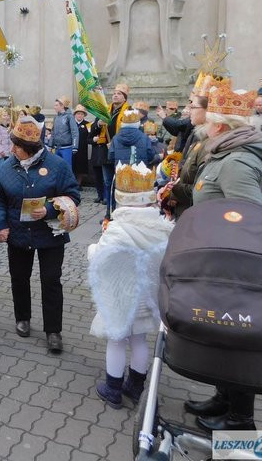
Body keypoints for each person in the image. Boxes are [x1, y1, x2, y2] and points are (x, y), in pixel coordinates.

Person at [185, 82, 262, 432]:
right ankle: (224, 398)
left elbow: (250, 222)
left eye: (211, 120)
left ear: (222, 126)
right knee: (224, 339)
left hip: (236, 268)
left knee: (238, 343)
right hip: (219, 261)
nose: (205, 126)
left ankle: (241, 420)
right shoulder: (226, 155)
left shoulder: (237, 163)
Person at [0, 116, 81, 352]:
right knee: (19, 278)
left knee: (51, 281)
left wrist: (50, 209)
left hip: (50, 235)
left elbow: (74, 194)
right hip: (18, 234)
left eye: (17, 146)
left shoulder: (57, 165)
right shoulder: (5, 167)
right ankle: (22, 318)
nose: (12, 150)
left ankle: (53, 331)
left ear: (31, 149)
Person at [89, 162, 174, 408]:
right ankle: (136, 387)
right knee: (139, 340)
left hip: (120, 295)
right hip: (147, 295)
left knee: (116, 339)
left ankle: (112, 388)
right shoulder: (162, 228)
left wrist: (92, 248)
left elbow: (101, 258)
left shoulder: (118, 229)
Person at [159, 94, 208, 218]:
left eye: (193, 106)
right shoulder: (195, 133)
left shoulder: (207, 141)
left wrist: (174, 191)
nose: (189, 110)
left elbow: (199, 185)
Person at [98, 84, 131, 210]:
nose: (115, 95)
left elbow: (129, 132)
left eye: (119, 94)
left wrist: (115, 142)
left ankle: (119, 210)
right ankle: (109, 212)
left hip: (120, 152)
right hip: (105, 152)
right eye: (114, 93)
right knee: (107, 183)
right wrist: (99, 124)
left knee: (119, 182)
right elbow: (94, 130)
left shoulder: (129, 111)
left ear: (124, 98)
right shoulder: (105, 111)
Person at [51, 97, 79, 168]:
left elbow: (75, 132)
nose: (54, 107)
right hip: (57, 148)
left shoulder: (69, 117)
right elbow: (53, 132)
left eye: (56, 105)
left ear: (62, 106)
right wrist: (50, 145)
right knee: (57, 168)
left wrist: (75, 146)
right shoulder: (56, 118)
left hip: (67, 148)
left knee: (67, 168)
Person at [72, 105, 91, 184]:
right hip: (72, 148)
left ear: (84, 115)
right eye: (78, 114)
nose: (80, 115)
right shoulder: (71, 123)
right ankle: (72, 183)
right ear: (75, 115)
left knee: (81, 167)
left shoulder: (88, 124)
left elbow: (91, 135)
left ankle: (78, 183)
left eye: (81, 114)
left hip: (83, 149)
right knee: (72, 165)